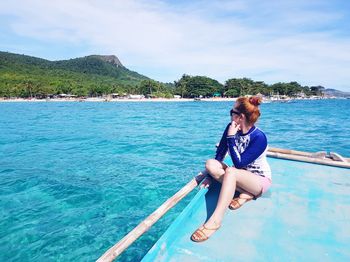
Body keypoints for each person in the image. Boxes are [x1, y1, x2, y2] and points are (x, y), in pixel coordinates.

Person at [191, 96, 272, 242]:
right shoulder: (230, 128)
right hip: (237, 175)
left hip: (259, 181)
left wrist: (231, 138)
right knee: (211, 164)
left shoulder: (259, 137)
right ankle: (245, 194)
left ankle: (216, 220)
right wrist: (210, 176)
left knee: (232, 171)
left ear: (240, 117)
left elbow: (239, 163)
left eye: (232, 112)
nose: (230, 115)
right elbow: (220, 154)